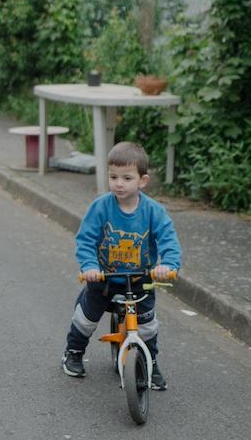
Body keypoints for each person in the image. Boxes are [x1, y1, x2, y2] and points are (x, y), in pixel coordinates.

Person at [62, 141, 182, 390]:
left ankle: (150, 363)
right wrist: (89, 266)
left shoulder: (153, 211)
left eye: (127, 178)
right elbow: (86, 239)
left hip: (140, 281)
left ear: (143, 181)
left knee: (147, 326)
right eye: (113, 177)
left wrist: (168, 264)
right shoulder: (101, 207)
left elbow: (168, 238)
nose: (119, 183)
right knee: (85, 319)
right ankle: (73, 352)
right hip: (103, 280)